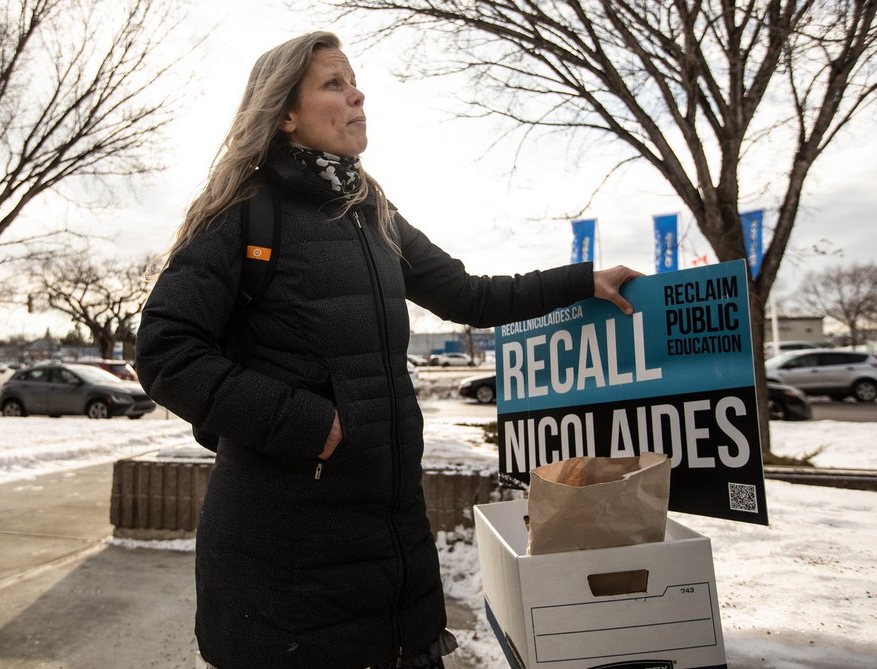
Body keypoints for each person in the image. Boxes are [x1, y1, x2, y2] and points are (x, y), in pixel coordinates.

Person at [136, 31, 641, 669]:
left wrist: (579, 280)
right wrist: (309, 424)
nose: (357, 94)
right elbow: (164, 351)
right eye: (334, 84)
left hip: (392, 547)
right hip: (284, 562)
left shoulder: (370, 211)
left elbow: (466, 295)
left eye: (354, 81)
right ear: (285, 113)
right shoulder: (244, 213)